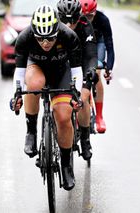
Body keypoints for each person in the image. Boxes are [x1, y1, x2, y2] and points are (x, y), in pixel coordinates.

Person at [10, 5, 83, 191]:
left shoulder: (69, 36)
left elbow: (76, 72)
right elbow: (19, 75)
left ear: (57, 30)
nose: (45, 43)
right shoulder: (24, 38)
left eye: (50, 37)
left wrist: (76, 94)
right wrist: (16, 94)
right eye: (40, 38)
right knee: (34, 85)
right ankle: (31, 132)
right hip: (38, 69)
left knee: (64, 116)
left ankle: (66, 165)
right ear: (33, 32)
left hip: (62, 72)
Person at [57, 0, 98, 161]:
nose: (69, 25)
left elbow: (91, 55)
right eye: (65, 21)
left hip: (81, 65)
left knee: (83, 98)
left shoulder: (85, 24)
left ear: (78, 17)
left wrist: (90, 72)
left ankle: (85, 139)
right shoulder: (54, 26)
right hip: (60, 66)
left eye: (72, 21)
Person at [79, 0, 114, 134]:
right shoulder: (76, 19)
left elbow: (110, 46)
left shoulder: (103, 20)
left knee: (96, 73)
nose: (87, 20)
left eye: (90, 17)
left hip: (98, 42)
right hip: (83, 41)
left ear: (95, 12)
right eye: (84, 17)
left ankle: (99, 116)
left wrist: (108, 68)